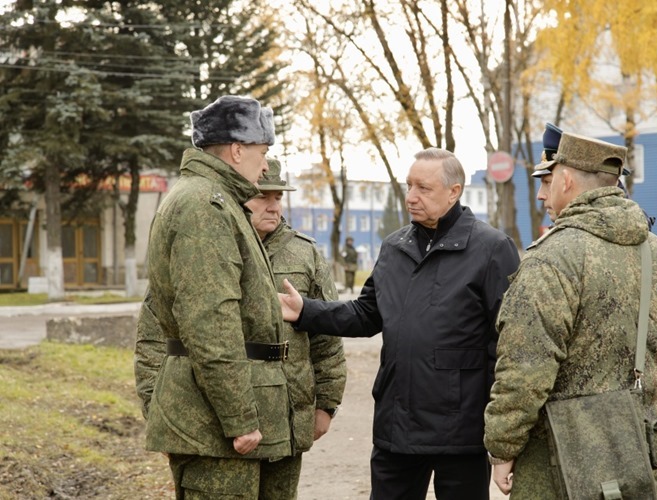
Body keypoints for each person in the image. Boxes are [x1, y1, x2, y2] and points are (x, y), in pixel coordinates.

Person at [279, 147, 520, 500]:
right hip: (398, 424)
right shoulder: (395, 247)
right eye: (409, 186)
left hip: (462, 428)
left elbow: (509, 341)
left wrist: (504, 427)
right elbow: (367, 314)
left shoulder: (491, 248)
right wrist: (306, 312)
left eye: (423, 188)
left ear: (454, 192)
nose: (411, 197)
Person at [483, 131, 657, 498]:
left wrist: (503, 449)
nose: (541, 195)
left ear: (566, 178)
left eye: (547, 182)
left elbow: (525, 370)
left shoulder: (552, 258)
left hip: (558, 467)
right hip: (640, 461)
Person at [134, 95, 293, 499]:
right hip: (214, 426)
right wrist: (240, 417)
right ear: (237, 150)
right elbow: (211, 323)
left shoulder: (216, 200)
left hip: (220, 417)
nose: (265, 163)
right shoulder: (204, 205)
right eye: (263, 151)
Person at [244, 159, 348, 496]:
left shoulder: (304, 254)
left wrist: (327, 404)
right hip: (234, 405)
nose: (273, 206)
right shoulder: (219, 247)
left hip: (288, 412)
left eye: (278, 198)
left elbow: (328, 335)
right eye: (263, 197)